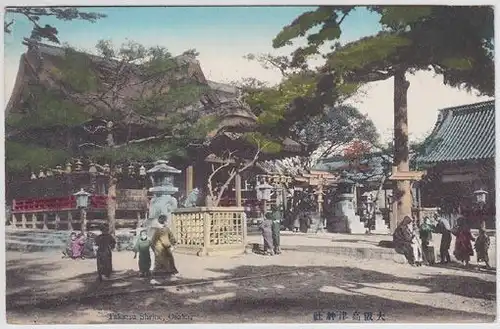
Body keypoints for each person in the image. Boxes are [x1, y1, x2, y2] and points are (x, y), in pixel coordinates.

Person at [150, 215, 179, 284]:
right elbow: (165, 241)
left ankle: (168, 274)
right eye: (166, 221)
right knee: (161, 262)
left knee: (167, 260)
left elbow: (171, 236)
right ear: (164, 221)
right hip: (160, 249)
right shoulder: (161, 230)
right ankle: (158, 278)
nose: (167, 222)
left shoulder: (166, 229)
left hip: (161, 248)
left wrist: (174, 242)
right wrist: (170, 246)